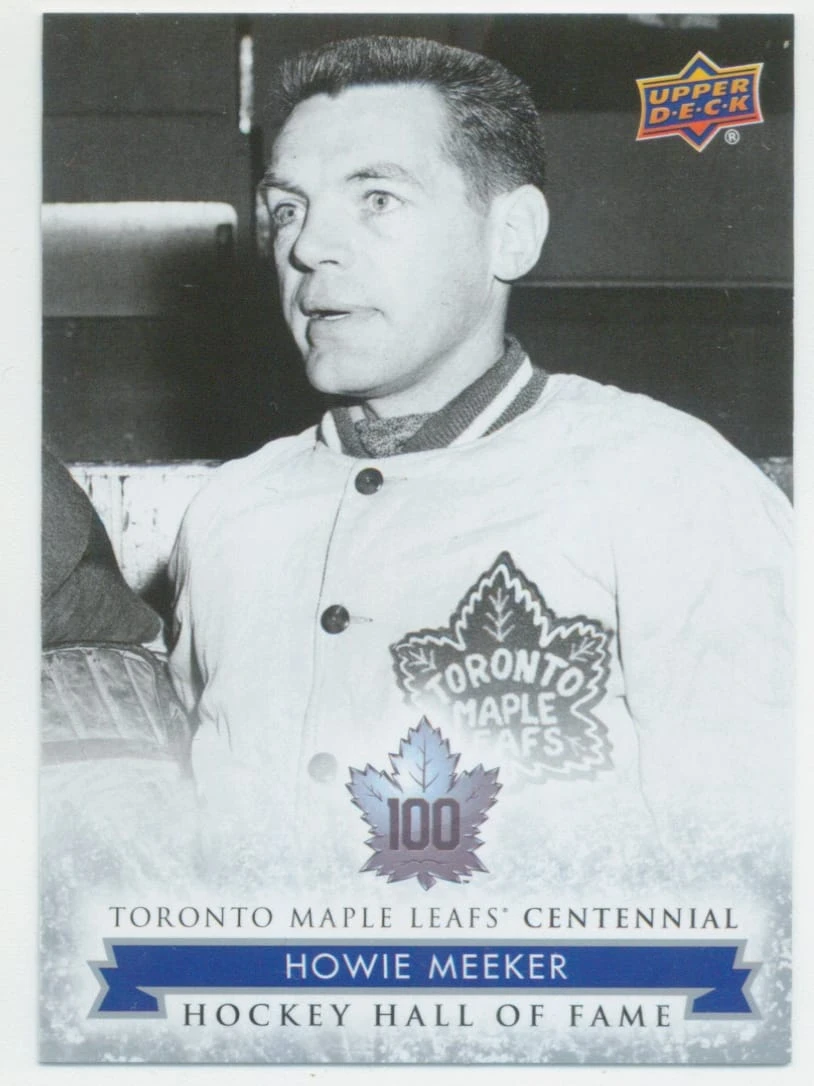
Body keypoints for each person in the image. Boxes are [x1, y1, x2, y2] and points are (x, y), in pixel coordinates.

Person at [168, 36, 791, 894]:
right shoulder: (228, 513)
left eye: (377, 198)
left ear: (512, 235)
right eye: (287, 209)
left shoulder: (667, 483)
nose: (309, 248)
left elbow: (763, 884)